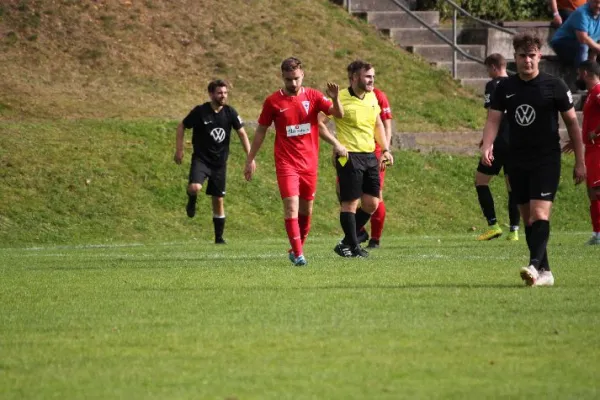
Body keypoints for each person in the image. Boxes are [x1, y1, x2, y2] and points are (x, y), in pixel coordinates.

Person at [481, 32, 586, 287]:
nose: (527, 60)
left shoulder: (555, 85)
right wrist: (487, 145)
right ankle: (546, 272)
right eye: (522, 56)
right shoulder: (505, 87)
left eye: (531, 56)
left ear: (539, 56)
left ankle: (533, 265)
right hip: (516, 159)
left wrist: (580, 161)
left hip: (546, 159)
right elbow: (493, 118)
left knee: (539, 214)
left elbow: (572, 122)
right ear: (514, 57)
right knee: (528, 218)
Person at [243, 57, 346, 266]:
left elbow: (339, 114)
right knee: (291, 207)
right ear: (282, 77)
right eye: (289, 79)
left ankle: (295, 248)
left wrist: (335, 99)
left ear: (303, 75)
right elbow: (261, 131)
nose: (293, 83)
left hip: (309, 164)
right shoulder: (273, 102)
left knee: (306, 211)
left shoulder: (314, 97)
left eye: (296, 78)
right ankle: (299, 255)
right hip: (286, 163)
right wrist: (250, 158)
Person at [174, 79, 253, 244]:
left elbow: (242, 134)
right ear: (211, 94)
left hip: (219, 163)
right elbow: (182, 126)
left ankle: (219, 238)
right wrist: (180, 150)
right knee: (195, 187)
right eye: (219, 93)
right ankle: (192, 199)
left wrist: (250, 157)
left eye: (225, 93)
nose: (223, 96)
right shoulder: (200, 111)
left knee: (218, 200)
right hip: (201, 160)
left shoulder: (230, 112)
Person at [332, 60, 394, 258]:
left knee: (372, 203)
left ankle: (346, 243)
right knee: (349, 204)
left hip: (369, 156)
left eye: (373, 76)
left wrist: (385, 149)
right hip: (349, 156)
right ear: (355, 78)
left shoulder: (373, 97)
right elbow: (319, 122)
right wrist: (336, 144)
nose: (371, 80)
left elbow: (378, 124)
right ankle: (354, 247)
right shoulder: (339, 97)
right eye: (368, 76)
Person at [475, 53, 521, 241]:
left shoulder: (493, 85)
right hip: (515, 143)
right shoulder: (516, 84)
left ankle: (493, 225)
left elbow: (493, 116)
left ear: (494, 67)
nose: (488, 73)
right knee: (512, 187)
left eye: (488, 69)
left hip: (499, 142)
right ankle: (514, 231)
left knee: (481, 181)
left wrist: (488, 141)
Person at [577, 60, 600, 244]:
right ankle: (597, 232)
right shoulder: (592, 93)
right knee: (592, 191)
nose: (578, 76)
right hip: (590, 147)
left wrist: (597, 131)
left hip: (598, 147)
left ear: (585, 73)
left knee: (597, 190)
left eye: (579, 73)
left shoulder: (598, 91)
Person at [550, 0, 600, 69]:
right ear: (588, 1)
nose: (598, 5)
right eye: (595, 2)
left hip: (587, 45)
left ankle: (592, 73)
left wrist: (593, 56)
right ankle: (582, 75)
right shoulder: (581, 13)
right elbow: (583, 39)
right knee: (583, 46)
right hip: (562, 43)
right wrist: (597, 48)